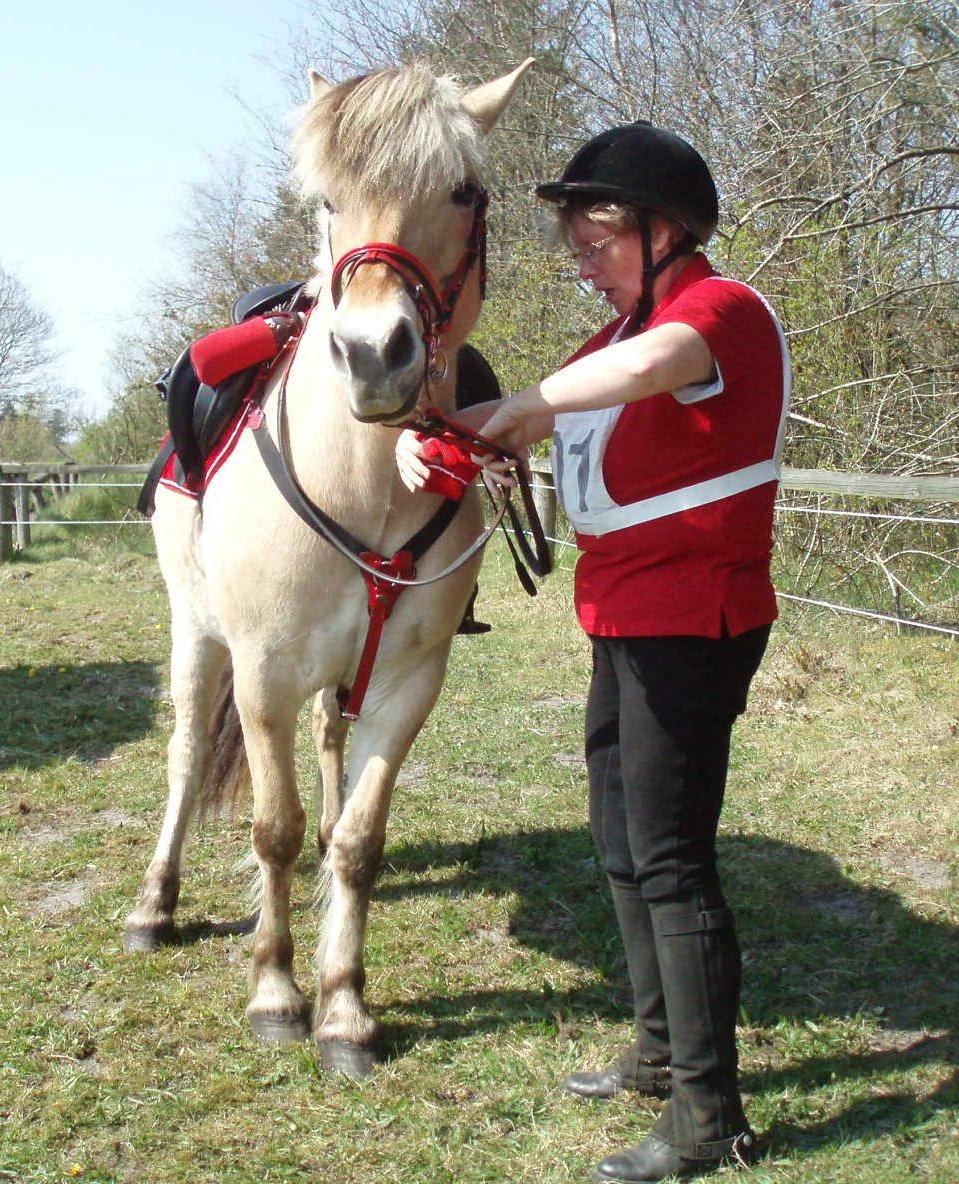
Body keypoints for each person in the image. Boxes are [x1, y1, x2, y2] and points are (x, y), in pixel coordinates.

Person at [396, 121, 790, 1181]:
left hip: (691, 612)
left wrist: (520, 406)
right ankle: (660, 1052)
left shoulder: (718, 309)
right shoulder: (610, 332)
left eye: (597, 235)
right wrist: (445, 424)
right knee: (618, 841)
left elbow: (654, 368)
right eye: (574, 240)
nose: (581, 256)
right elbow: (518, 418)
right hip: (619, 610)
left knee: (670, 858)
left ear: (666, 231)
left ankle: (711, 1116)